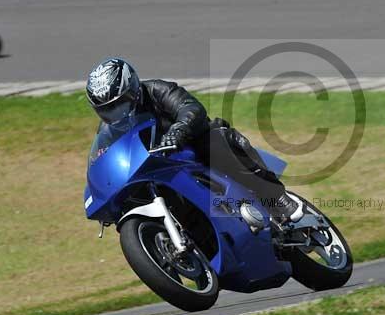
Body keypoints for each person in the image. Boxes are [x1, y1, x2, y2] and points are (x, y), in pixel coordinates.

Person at [85, 58, 307, 223]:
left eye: (121, 104)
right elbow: (105, 156)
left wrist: (178, 131)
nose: (116, 113)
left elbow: (191, 108)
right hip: (158, 166)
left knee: (214, 143)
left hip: (192, 144)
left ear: (133, 89)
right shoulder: (108, 130)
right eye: (107, 110)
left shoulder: (158, 90)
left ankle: (276, 198)